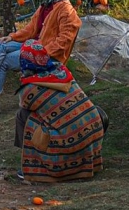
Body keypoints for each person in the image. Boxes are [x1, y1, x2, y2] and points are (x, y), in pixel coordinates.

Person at [11, 39, 105, 183]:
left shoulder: (29, 90)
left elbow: (23, 105)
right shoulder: (62, 71)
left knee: (23, 116)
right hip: (93, 133)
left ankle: (30, 164)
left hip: (69, 144)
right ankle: (87, 160)